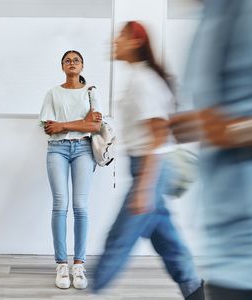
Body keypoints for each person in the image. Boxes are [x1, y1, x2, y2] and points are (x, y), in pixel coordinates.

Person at [91, 22, 204, 300]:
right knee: (167, 240)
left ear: (134, 42)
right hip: (147, 167)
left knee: (119, 241)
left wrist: (144, 187)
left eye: (120, 37)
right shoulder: (139, 78)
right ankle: (194, 290)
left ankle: (92, 291)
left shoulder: (144, 82)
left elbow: (157, 135)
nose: (114, 42)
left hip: (150, 168)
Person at [170, 1, 252, 299]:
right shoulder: (209, 14)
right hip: (223, 245)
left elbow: (224, 126)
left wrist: (228, 131)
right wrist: (194, 125)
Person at [39, 50, 103, 289]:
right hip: (57, 150)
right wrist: (81, 123)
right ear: (62, 66)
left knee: (81, 207)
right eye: (67, 60)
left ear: (82, 65)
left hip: (84, 150)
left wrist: (64, 124)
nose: (72, 63)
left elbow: (94, 126)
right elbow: (49, 128)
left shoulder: (91, 92)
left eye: (76, 60)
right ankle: (61, 265)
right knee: (59, 204)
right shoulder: (53, 93)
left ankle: (79, 264)